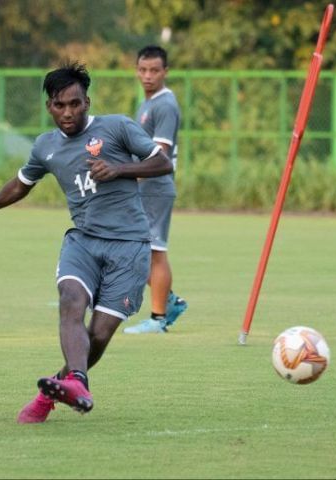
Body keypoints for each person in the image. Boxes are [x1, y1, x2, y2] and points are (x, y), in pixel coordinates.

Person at [0, 63, 172, 423]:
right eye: (59, 105)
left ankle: (49, 393)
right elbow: (20, 185)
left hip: (129, 248)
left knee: (96, 337)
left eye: (75, 103)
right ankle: (78, 381)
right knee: (70, 300)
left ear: (87, 102)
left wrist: (118, 169)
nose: (68, 112)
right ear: (49, 106)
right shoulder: (45, 146)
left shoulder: (116, 127)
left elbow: (162, 163)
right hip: (83, 242)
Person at [123, 45, 188, 335]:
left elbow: (159, 155)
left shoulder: (165, 105)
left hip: (155, 187)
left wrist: (124, 174)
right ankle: (171, 301)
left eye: (154, 70)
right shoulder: (147, 103)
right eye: (143, 70)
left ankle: (159, 317)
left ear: (165, 72)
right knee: (137, 251)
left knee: (155, 252)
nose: (147, 76)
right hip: (144, 187)